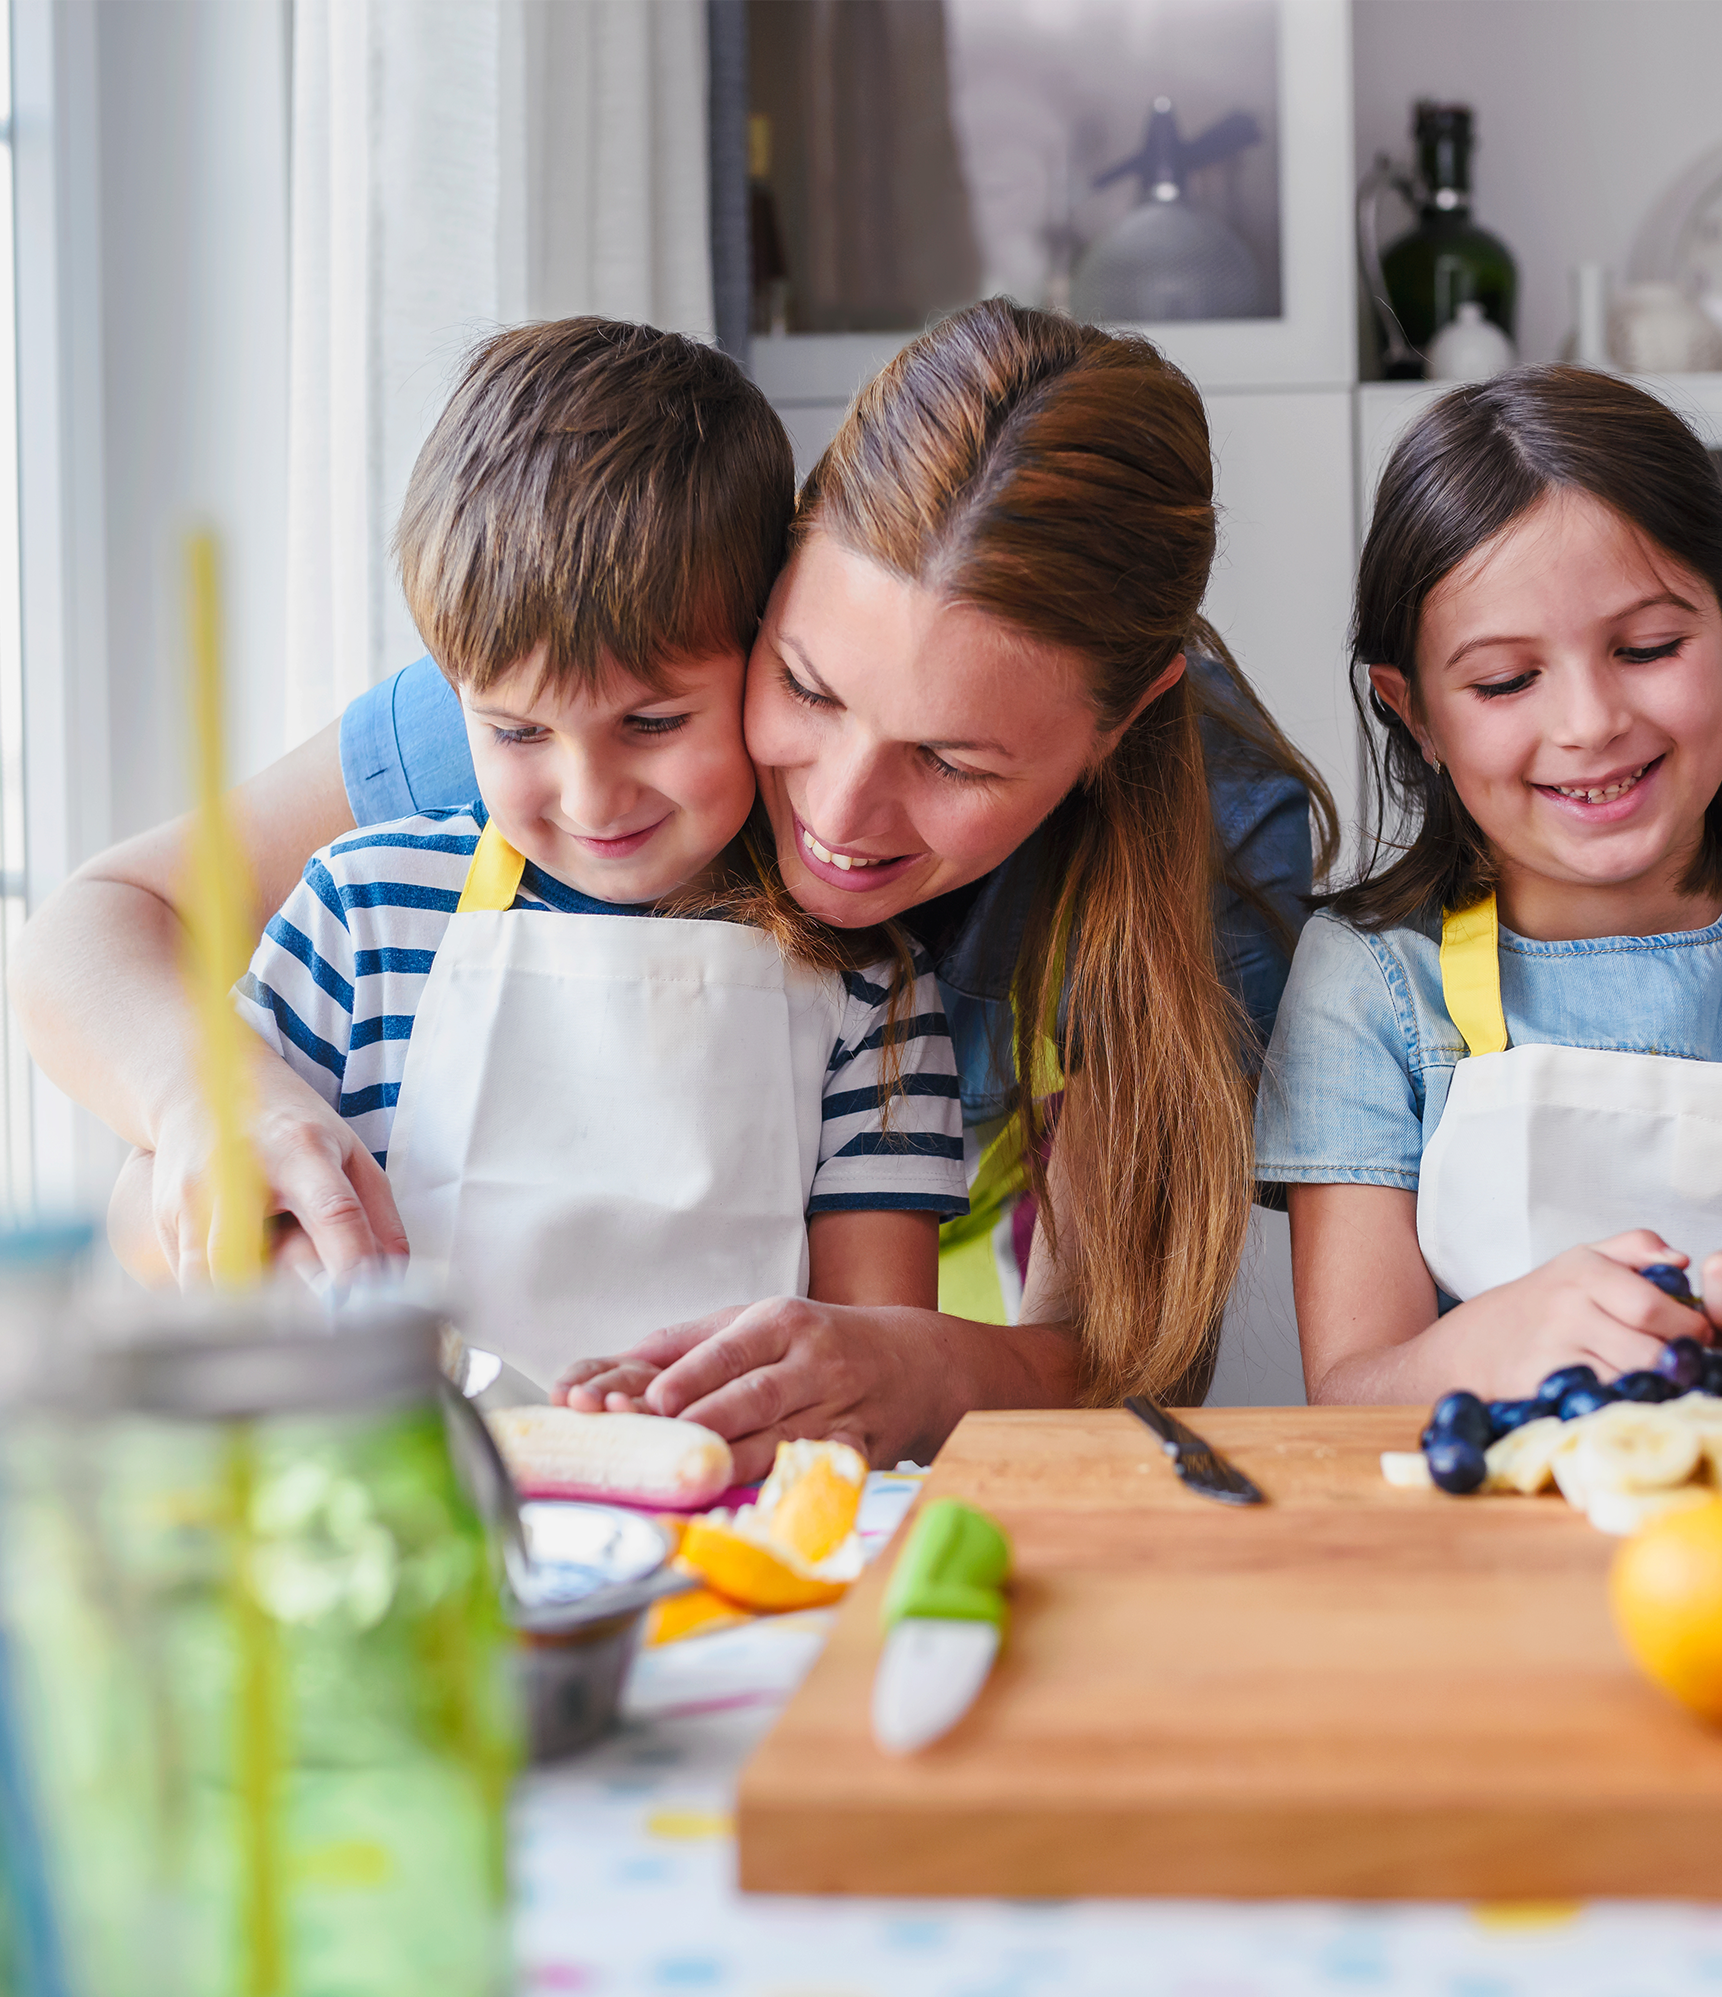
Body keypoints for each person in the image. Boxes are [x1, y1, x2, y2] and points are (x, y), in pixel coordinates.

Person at [15, 299, 1332, 1474]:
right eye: (806, 686)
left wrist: (914, 1363)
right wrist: (214, 1113)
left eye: (952, 762)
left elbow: (1116, 1348)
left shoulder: (1212, 855)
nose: (835, 814)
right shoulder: (584, 694)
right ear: (771, 583)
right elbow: (104, 925)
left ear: (1121, 723)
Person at [197, 320, 964, 1388]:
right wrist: (274, 1253)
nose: (590, 797)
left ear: (766, 660)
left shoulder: (868, 984)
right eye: (516, 732)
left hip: (723, 1480)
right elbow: (164, 1206)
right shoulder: (360, 915)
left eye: (652, 723)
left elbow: (872, 1360)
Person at [1256, 365, 1722, 1404]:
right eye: (1505, 680)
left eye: (1646, 648)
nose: (1590, 722)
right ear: (1415, 710)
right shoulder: (1371, 981)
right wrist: (1484, 1344)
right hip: (1495, 1513)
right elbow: (1348, 1390)